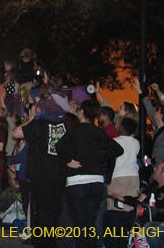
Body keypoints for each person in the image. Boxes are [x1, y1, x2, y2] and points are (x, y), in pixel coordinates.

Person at [56, 99, 123, 248]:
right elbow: (118, 150)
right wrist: (100, 157)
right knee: (90, 224)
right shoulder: (99, 133)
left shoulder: (74, 132)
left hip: (77, 182)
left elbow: (59, 147)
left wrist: (68, 161)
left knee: (80, 225)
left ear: (81, 112)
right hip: (96, 182)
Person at [13, 98, 67, 248]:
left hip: (41, 174)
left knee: (40, 211)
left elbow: (16, 133)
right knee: (54, 211)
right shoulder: (64, 124)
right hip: (59, 174)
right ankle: (52, 241)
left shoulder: (38, 124)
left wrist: (30, 119)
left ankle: (41, 242)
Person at [104, 118, 140, 248]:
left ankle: (115, 241)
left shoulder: (115, 141)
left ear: (123, 127)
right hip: (134, 176)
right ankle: (128, 239)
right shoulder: (136, 142)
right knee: (129, 207)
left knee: (115, 208)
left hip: (119, 176)